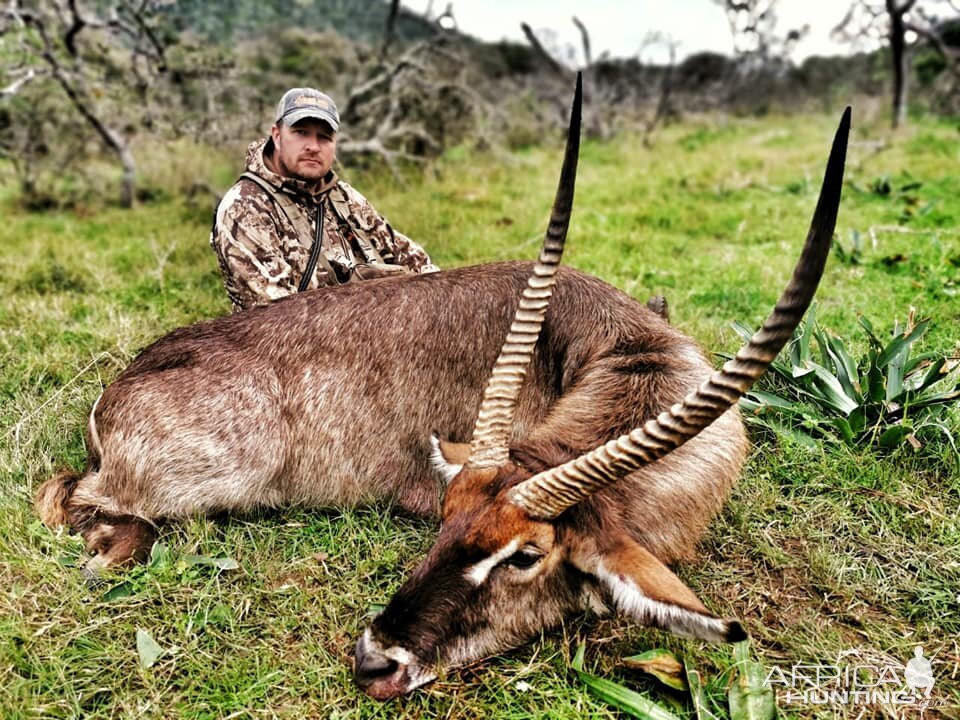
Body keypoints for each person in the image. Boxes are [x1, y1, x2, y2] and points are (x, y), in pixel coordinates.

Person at [210, 87, 438, 312]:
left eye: (324, 137)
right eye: (301, 132)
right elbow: (276, 317)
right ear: (277, 136)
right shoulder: (244, 207)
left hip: (376, 324)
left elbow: (410, 257)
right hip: (303, 340)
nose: (313, 146)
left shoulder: (343, 196)